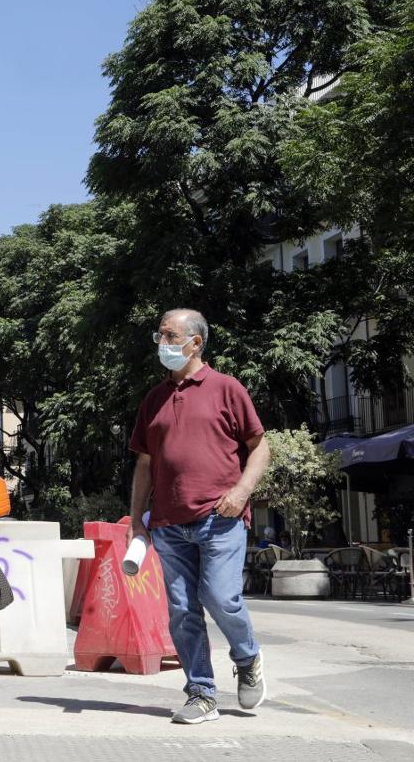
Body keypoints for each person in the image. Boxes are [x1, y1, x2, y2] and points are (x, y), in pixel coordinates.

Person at [127, 308, 270, 724]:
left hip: (219, 518)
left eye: (170, 336)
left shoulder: (226, 388)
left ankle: (247, 657)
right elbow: (144, 465)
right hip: (169, 525)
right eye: (160, 336)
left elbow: (259, 446)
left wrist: (242, 492)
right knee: (182, 610)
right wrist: (137, 520)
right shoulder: (153, 399)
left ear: (196, 342)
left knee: (221, 598)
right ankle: (202, 692)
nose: (163, 344)